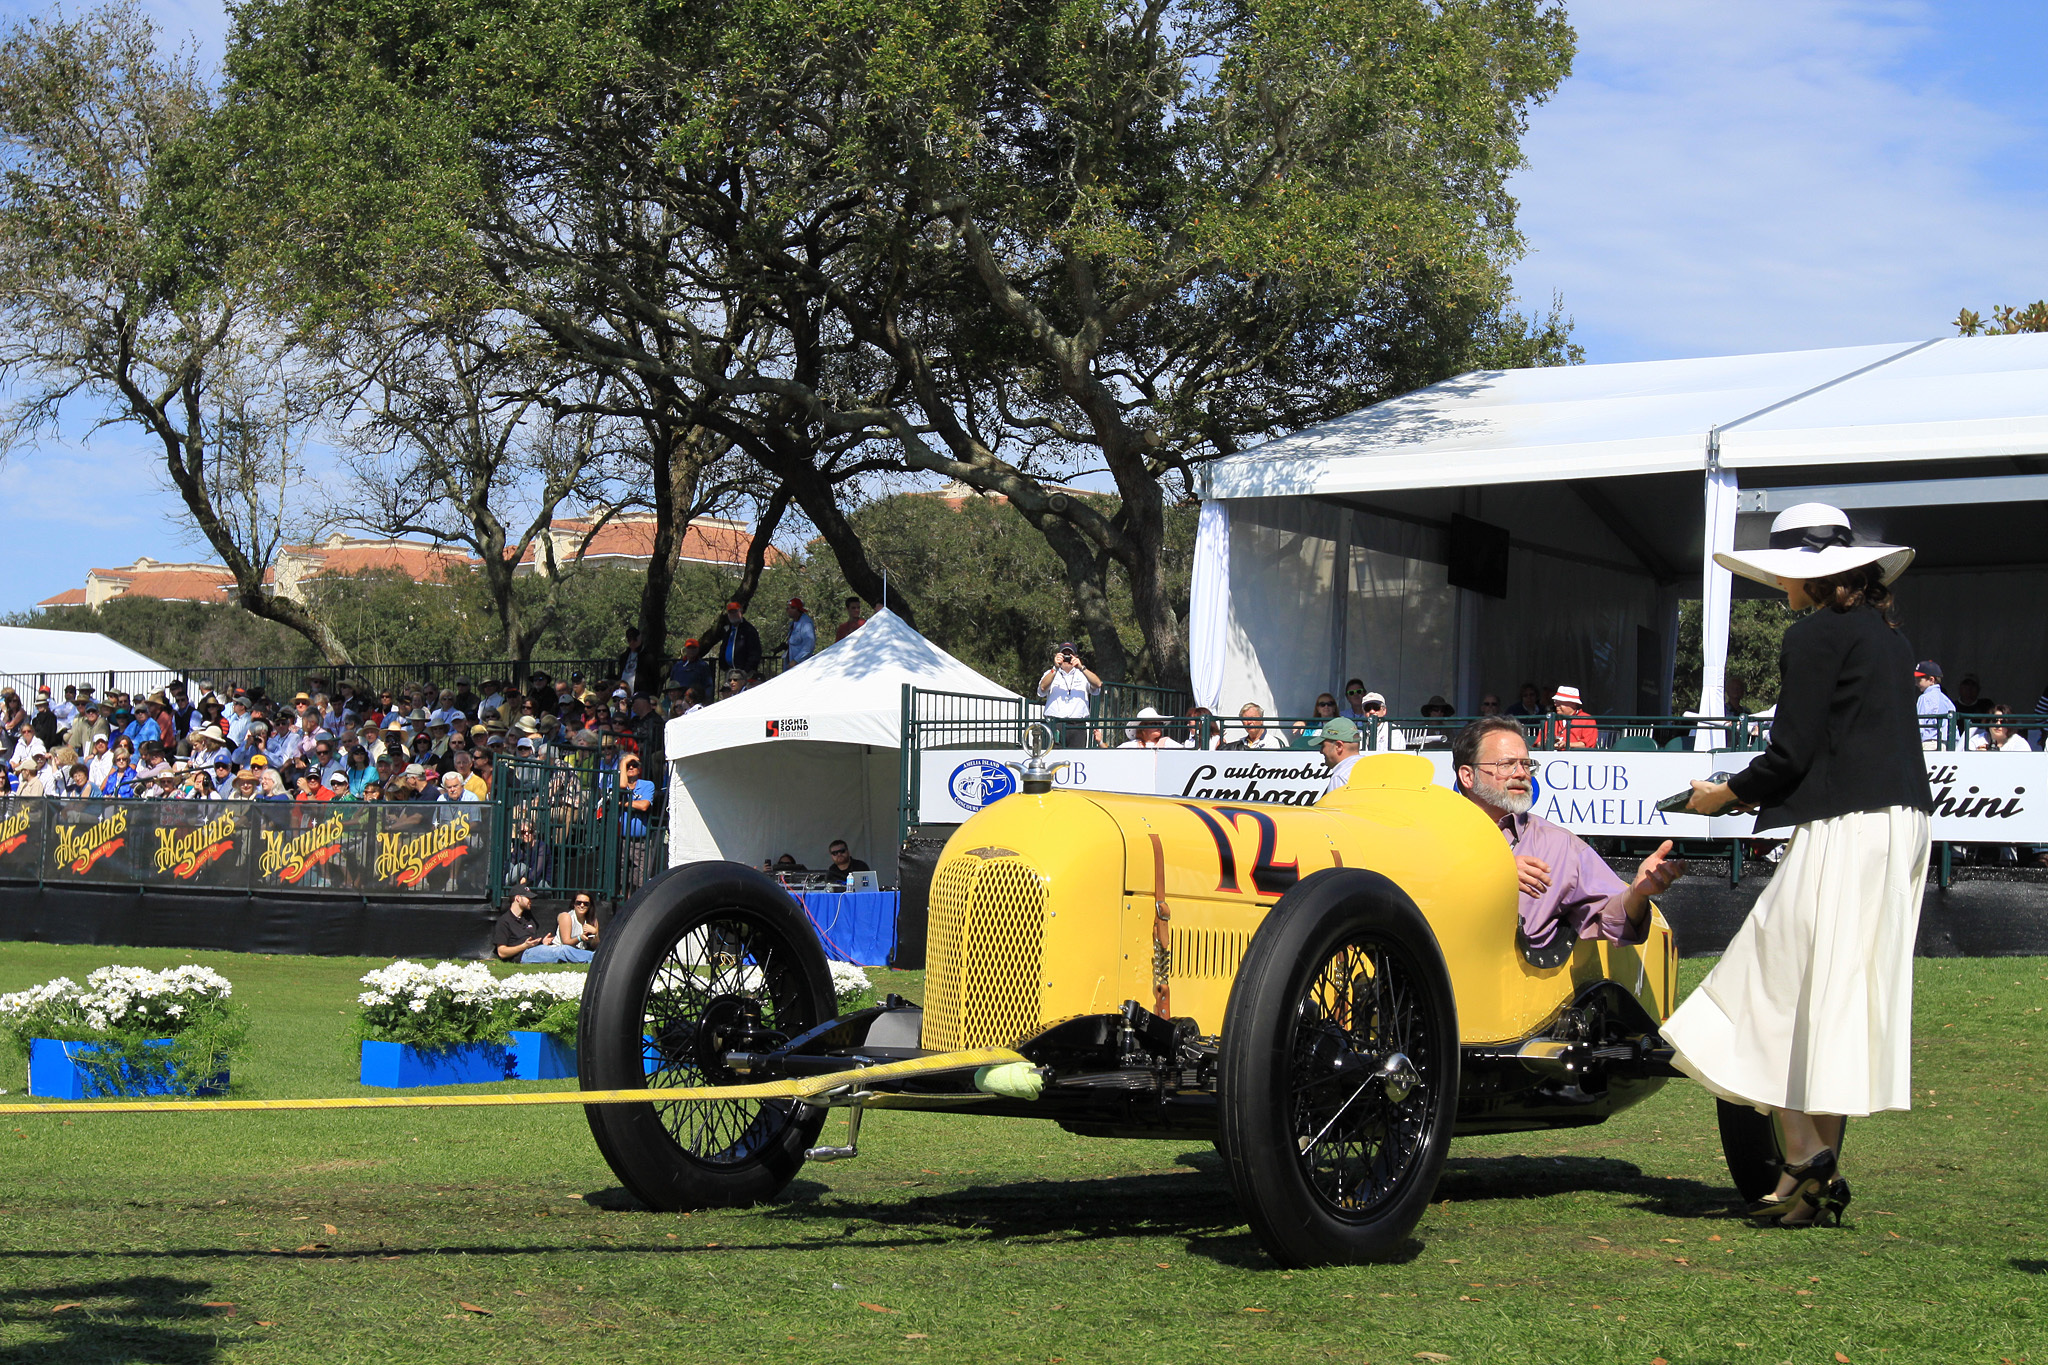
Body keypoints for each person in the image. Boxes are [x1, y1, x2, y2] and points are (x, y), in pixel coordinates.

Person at [1671, 502, 1931, 1228]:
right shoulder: (1887, 634)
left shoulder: (1818, 635)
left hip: (1850, 825)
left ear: (1813, 576)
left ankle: (1805, 1157)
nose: (1777, 583)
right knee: (1834, 996)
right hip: (1899, 824)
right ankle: (1807, 1174)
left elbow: (1790, 753)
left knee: (1769, 982)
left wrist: (1720, 795)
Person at [1453, 716, 1681, 955]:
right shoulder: (1429, 833)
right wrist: (1494, 872)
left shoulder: (1561, 847)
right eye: (1506, 764)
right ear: (1468, 776)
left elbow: (1613, 919)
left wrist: (1637, 893)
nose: (1521, 773)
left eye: (1526, 764)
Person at [493, 890, 589, 963]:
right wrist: (524, 946)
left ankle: (595, 957)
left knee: (561, 949)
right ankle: (596, 958)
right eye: (528, 898)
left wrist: (542, 942)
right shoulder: (504, 921)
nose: (530, 901)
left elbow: (530, 942)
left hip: (533, 950)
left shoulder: (527, 918)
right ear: (518, 898)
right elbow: (502, 952)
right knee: (563, 950)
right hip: (523, 955)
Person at [1037, 643, 1101, 748]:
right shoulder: (1051, 673)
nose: (1067, 658)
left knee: (1076, 761)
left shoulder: (1083, 674)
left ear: (1075, 657)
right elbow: (1042, 688)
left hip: (1077, 726)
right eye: (1064, 655)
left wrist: (1081, 667)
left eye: (1069, 655)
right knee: (1052, 760)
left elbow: (1098, 684)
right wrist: (1055, 668)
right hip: (1055, 724)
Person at [1539, 686, 1599, 750]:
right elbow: (1539, 743)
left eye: (1560, 702)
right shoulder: (1551, 719)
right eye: (1556, 701)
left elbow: (1588, 744)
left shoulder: (1587, 720)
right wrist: (1549, 743)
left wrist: (1567, 744)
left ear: (1573, 704)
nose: (1556, 705)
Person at [1315, 717, 1364, 795]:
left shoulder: (1340, 777)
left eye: (1323, 745)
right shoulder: (1373, 767)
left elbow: (1335, 807)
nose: (1321, 751)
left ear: (1339, 746)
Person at [1913, 660, 1954, 750]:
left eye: (1919, 679)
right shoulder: (1947, 700)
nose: (1916, 683)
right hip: (1947, 745)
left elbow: (1920, 726)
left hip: (1928, 744)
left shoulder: (1924, 698)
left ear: (1931, 680)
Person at [716, 601, 762, 681]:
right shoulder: (728, 630)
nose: (733, 615)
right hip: (730, 672)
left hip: (745, 672)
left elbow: (755, 652)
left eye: (735, 612)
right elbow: (723, 649)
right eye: (730, 612)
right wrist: (724, 666)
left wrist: (746, 670)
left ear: (740, 612)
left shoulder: (749, 630)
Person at [1219, 703, 1287, 750]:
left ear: (1261, 720)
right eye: (1245, 719)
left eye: (1252, 718)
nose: (1249, 722)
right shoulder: (1240, 743)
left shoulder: (1271, 742)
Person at [1118, 707, 1184, 749]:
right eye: (1154, 723)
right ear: (1143, 727)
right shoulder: (1133, 745)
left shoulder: (1167, 742)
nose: (1158, 726)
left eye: (1160, 724)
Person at [782, 598, 816, 666]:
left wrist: (796, 660)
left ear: (798, 609)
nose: (788, 610)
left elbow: (809, 645)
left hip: (801, 666)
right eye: (787, 608)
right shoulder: (793, 623)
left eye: (791, 608)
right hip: (791, 665)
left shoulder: (806, 623)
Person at [616, 626, 642, 694]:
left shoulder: (646, 657)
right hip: (624, 692)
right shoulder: (624, 656)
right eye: (630, 640)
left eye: (634, 639)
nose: (632, 642)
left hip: (638, 692)